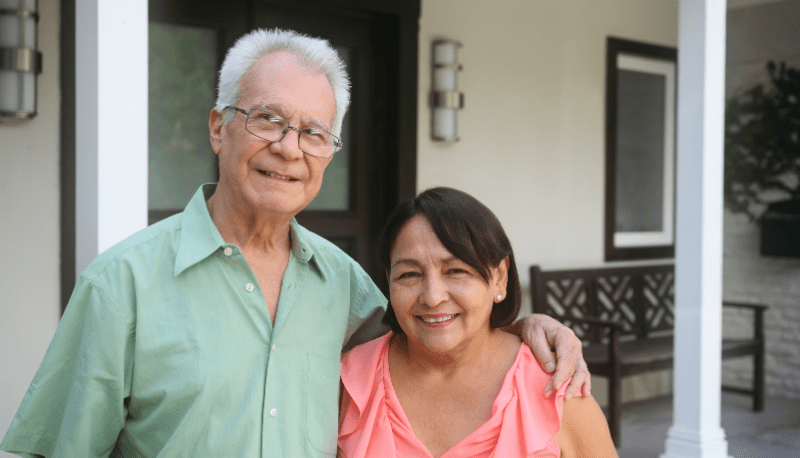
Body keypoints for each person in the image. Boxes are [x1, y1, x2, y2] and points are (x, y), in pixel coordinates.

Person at [1, 29, 588, 457]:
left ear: (329, 154)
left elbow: (432, 333)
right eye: (267, 119)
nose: (289, 148)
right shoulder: (121, 284)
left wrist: (525, 327)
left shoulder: (344, 284)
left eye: (314, 132)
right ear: (218, 127)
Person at [338, 187, 616, 458]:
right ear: (389, 281)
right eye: (409, 274)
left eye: (455, 271)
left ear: (500, 277)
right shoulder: (349, 383)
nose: (432, 297)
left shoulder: (557, 389)